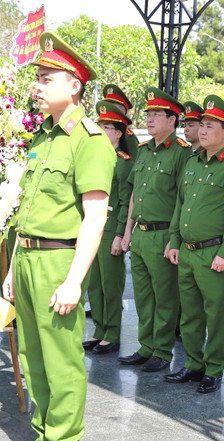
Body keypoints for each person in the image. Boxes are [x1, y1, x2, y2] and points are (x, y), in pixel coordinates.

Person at [0, 32, 115, 441]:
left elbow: (95, 217)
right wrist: (11, 267)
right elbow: (28, 211)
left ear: (75, 86)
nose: (39, 85)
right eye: (39, 78)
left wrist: (73, 281)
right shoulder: (43, 138)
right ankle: (44, 437)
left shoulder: (89, 140)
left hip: (58, 262)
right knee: (32, 356)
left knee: (61, 358)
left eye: (48, 78)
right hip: (27, 260)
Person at [164, 95, 224, 393]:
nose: (202, 130)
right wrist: (174, 240)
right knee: (190, 313)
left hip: (213, 253)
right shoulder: (192, 162)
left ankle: (214, 368)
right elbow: (180, 205)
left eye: (210, 125)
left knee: (214, 313)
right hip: (186, 251)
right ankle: (193, 363)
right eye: (202, 124)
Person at [118, 88, 191, 372]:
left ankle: (162, 350)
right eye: (148, 114)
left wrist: (174, 238)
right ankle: (146, 346)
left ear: (172, 120)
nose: (149, 118)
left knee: (165, 296)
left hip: (163, 233)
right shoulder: (144, 151)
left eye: (156, 114)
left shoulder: (181, 153)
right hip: (141, 233)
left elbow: (183, 198)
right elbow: (136, 192)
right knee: (143, 295)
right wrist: (127, 232)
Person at [82, 100, 134, 355]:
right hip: (92, 227)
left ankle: (112, 333)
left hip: (111, 226)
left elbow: (125, 201)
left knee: (111, 284)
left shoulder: (123, 163)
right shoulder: (93, 158)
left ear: (119, 133)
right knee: (94, 283)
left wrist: (120, 235)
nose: (101, 130)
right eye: (99, 125)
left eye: (107, 127)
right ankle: (100, 330)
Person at [103, 84, 139, 158]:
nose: (107, 109)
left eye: (112, 107)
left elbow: (134, 163)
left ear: (122, 111)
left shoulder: (129, 137)